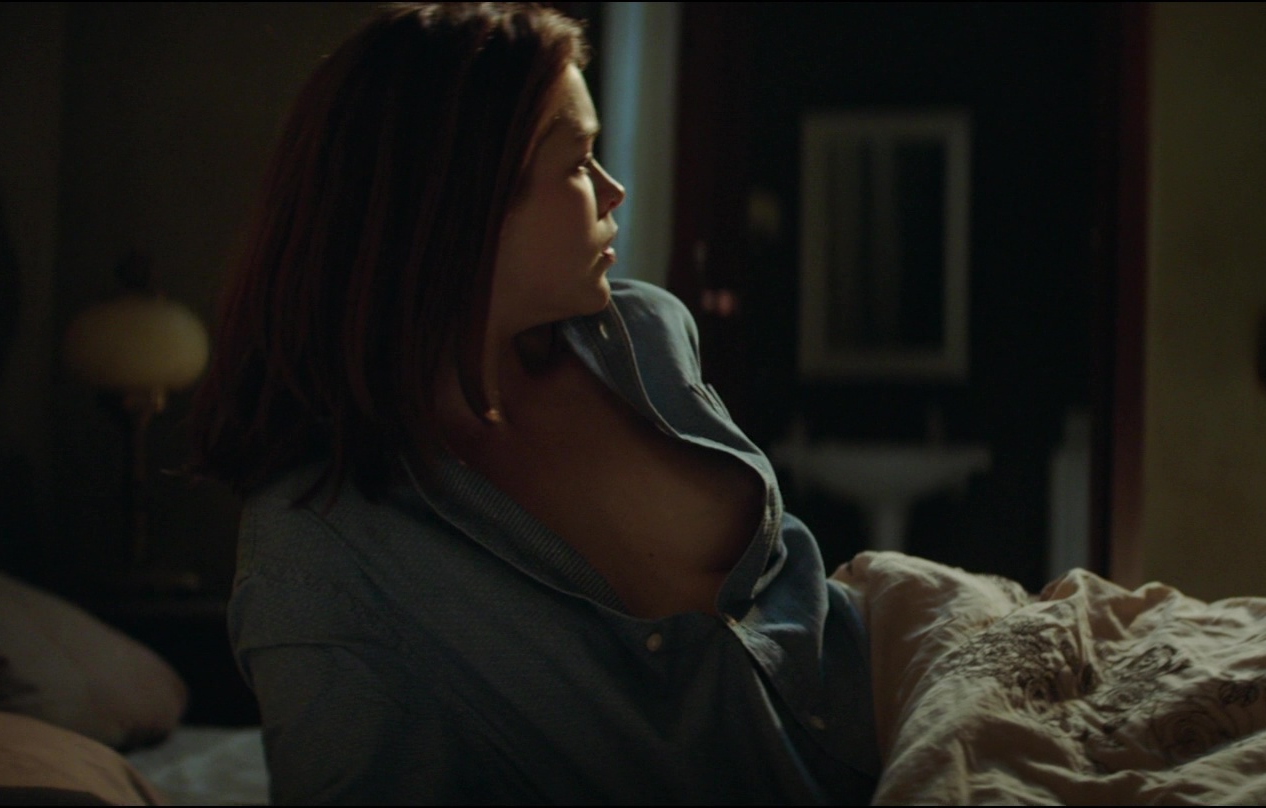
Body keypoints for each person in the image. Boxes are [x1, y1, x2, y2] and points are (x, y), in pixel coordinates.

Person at [189, 4, 879, 803]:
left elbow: (790, 590)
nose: (614, 190)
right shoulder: (321, 551)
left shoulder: (644, 335)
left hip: (902, 696)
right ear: (460, 201)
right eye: (580, 162)